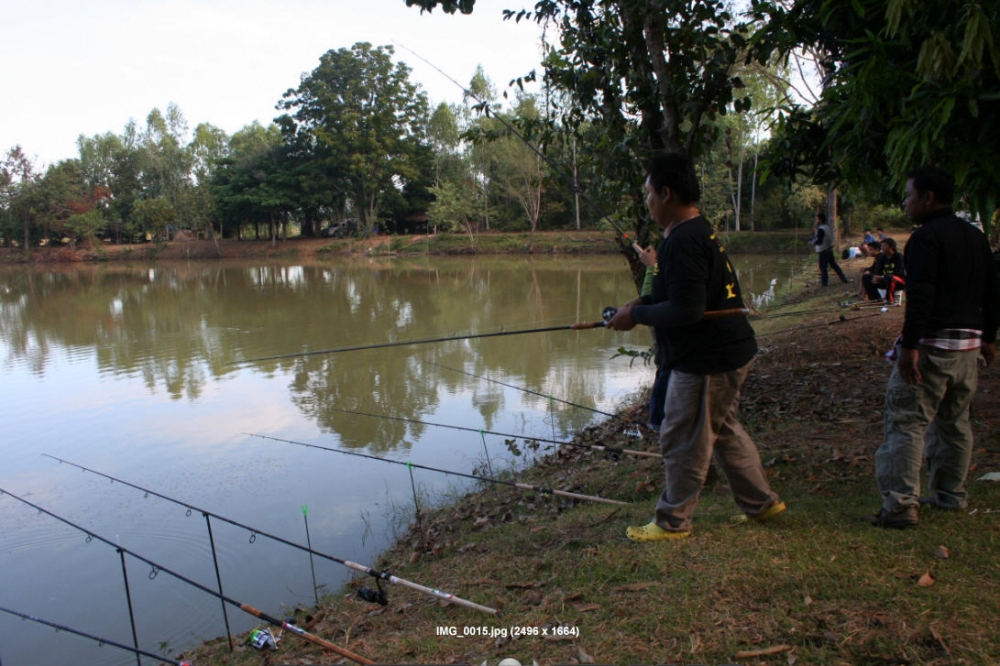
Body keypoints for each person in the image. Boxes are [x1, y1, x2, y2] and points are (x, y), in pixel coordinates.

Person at [606, 151, 784, 541]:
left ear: (666, 193)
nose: (648, 201)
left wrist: (635, 317)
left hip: (707, 359)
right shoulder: (695, 232)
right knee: (721, 430)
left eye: (650, 193)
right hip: (725, 351)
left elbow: (687, 311)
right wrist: (637, 305)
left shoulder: (684, 241)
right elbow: (677, 297)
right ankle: (761, 504)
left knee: (683, 435)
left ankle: (672, 522)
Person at [868, 166, 1000, 528]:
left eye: (909, 196)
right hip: (967, 349)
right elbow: (992, 291)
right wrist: (988, 336)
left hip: (933, 346)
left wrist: (910, 346)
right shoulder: (975, 237)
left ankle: (899, 505)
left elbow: (921, 296)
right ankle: (949, 495)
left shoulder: (926, 238)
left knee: (907, 421)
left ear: (928, 198)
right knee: (955, 422)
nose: (905, 203)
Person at [811, 212, 850, 286]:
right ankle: (843, 278)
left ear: (820, 220)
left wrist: (813, 243)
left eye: (817, 219)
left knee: (823, 267)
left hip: (823, 250)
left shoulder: (821, 229)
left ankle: (824, 283)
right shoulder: (826, 227)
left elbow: (819, 241)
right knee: (834, 265)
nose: (816, 221)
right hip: (829, 249)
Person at [863, 238, 905, 303]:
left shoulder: (898, 257)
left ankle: (889, 299)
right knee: (866, 277)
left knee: (890, 277)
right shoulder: (882, 257)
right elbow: (878, 270)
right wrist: (875, 277)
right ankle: (875, 298)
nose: (882, 248)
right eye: (882, 246)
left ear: (891, 247)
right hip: (884, 280)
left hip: (898, 281)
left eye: (885, 245)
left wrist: (882, 277)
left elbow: (898, 272)